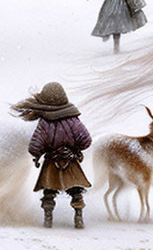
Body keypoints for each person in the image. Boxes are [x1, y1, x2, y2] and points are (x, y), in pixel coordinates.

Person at [11, 82, 92, 229]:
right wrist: (74, 150)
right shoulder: (73, 119)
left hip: (51, 163)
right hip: (71, 161)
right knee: (76, 190)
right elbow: (86, 140)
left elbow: (35, 146)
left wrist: (37, 153)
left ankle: (48, 219)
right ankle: (78, 217)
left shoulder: (45, 122)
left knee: (49, 191)